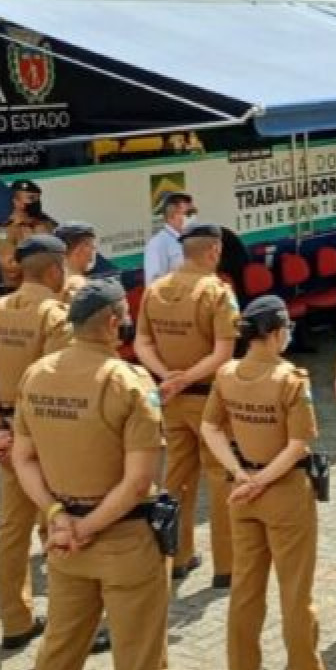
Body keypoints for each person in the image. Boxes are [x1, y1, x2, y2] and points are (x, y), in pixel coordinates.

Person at [14, 280, 178, 670]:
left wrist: (56, 517)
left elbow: (23, 458)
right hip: (123, 542)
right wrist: (88, 526)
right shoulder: (127, 383)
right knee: (139, 667)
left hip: (64, 542)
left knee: (59, 653)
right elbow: (137, 482)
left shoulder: (36, 375)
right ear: (111, 322)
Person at [201, 295, 336, 670]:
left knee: (245, 588)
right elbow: (299, 444)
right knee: (295, 591)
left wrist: (241, 473)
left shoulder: (227, 374)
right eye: (285, 328)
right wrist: (263, 480)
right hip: (283, 491)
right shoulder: (290, 379)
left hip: (242, 490)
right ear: (273, 334)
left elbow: (210, 426)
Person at [0, 235, 105, 654]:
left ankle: (15, 619)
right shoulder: (55, 317)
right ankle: (72, 621)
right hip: (46, 434)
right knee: (58, 522)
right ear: (54, 271)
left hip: (8, 432)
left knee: (12, 528)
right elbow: (50, 383)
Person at [133, 223, 241, 587]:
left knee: (176, 478)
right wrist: (188, 378)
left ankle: (176, 555)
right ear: (213, 251)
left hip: (170, 399)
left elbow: (142, 344)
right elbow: (223, 352)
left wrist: (168, 376)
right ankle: (226, 566)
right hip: (208, 398)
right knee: (220, 478)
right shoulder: (217, 293)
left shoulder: (155, 290)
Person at [0, 180, 57, 292]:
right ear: (16, 201)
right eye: (31, 198)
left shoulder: (49, 225)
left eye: (38, 198)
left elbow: (64, 255)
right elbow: (11, 268)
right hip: (20, 292)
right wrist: (45, 258)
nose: (36, 203)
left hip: (48, 289)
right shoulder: (4, 231)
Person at [141, 191, 195, 289]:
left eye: (193, 213)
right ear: (172, 216)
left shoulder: (191, 240)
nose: (193, 218)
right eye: (188, 214)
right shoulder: (158, 244)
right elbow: (154, 284)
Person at [54, 220, 99, 299]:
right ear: (79, 249)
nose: (94, 251)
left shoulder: (48, 284)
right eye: (92, 246)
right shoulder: (81, 287)